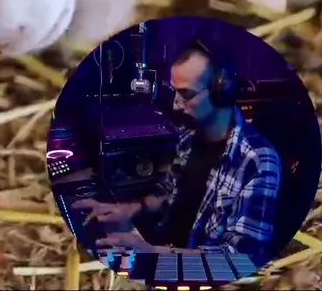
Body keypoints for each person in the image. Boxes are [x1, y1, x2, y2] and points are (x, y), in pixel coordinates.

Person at [72, 40, 281, 267]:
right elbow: (167, 194)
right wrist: (129, 210)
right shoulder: (187, 137)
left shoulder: (258, 160)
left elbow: (241, 259)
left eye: (186, 94)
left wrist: (154, 253)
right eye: (175, 93)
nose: (176, 105)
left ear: (222, 90)